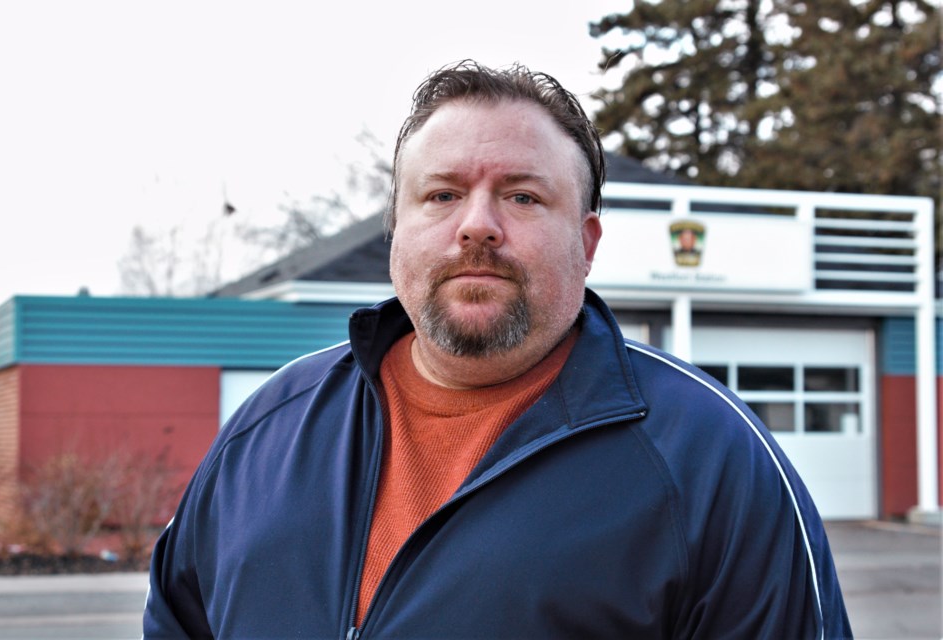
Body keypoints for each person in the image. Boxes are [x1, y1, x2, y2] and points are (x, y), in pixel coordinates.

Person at [143, 60, 852, 639]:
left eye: (522, 198)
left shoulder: (713, 460)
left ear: (587, 242)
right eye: (443, 195)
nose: (477, 227)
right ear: (396, 231)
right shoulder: (270, 429)